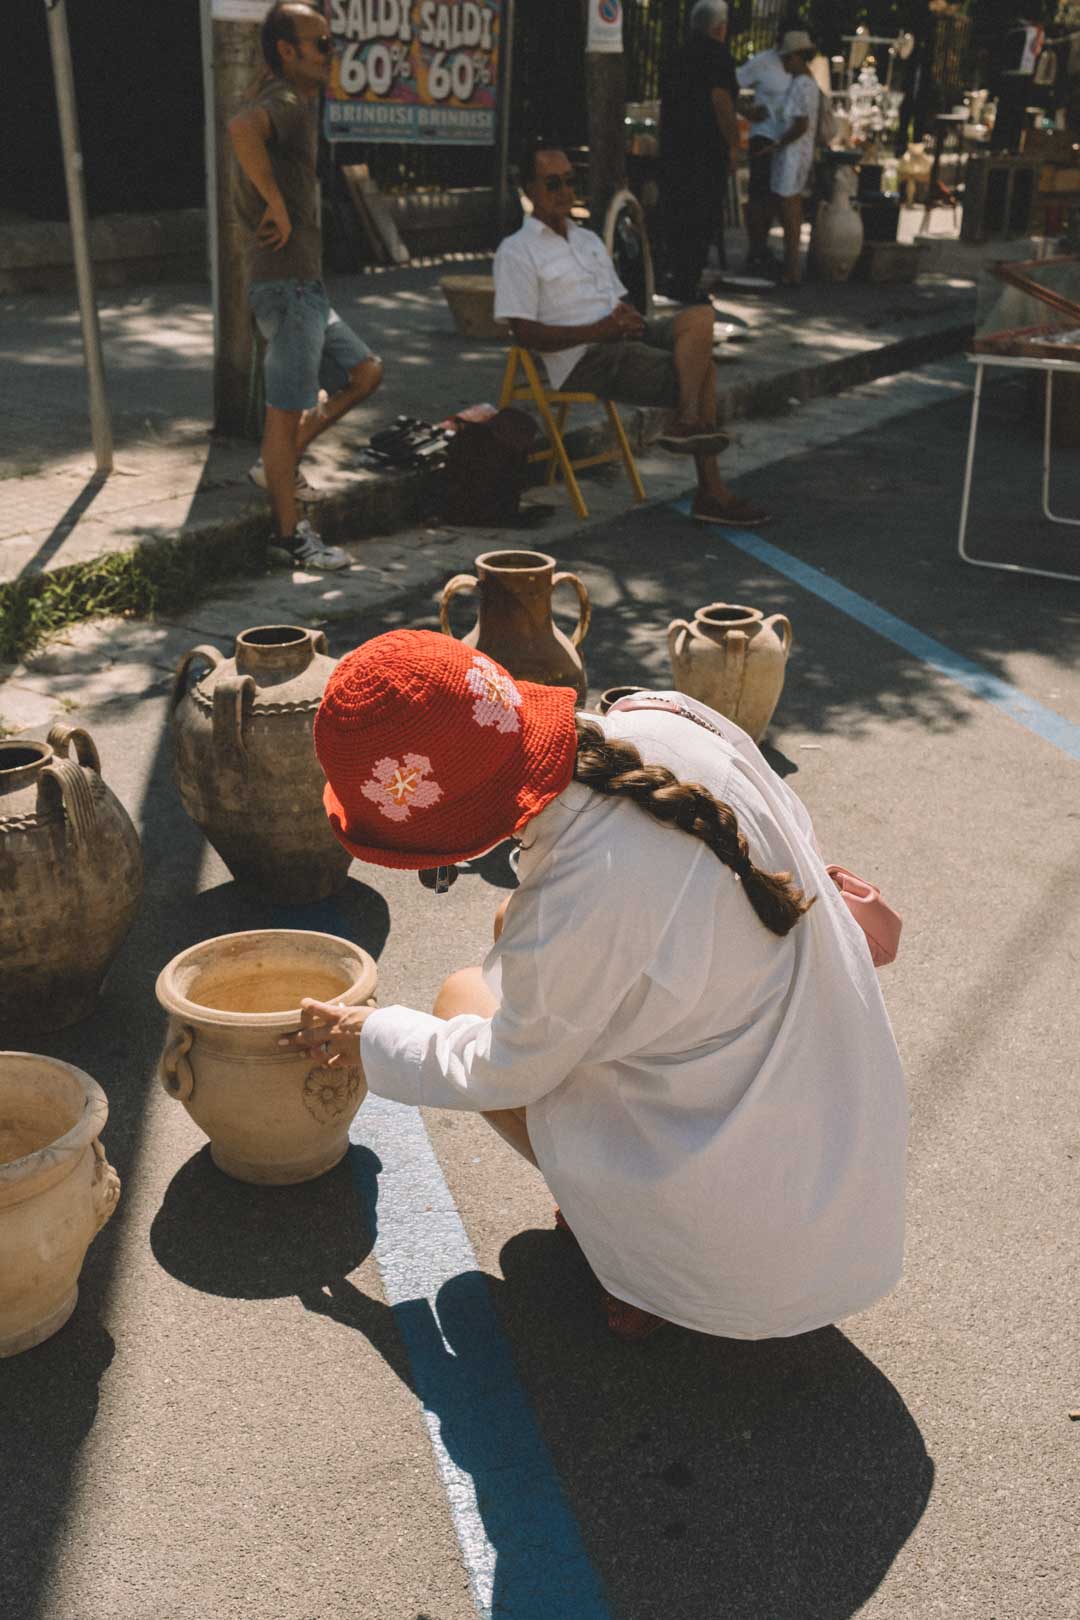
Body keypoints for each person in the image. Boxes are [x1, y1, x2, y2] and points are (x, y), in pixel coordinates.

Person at [283, 630, 908, 1345]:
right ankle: (643, 1231)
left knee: (461, 999)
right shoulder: (663, 722)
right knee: (507, 928)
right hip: (847, 1191)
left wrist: (371, 1035)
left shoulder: (577, 897)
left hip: (744, 1271)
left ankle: (643, 1263)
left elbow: (502, 1067)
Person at [493, 142, 769, 530]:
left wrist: (629, 317)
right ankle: (710, 489)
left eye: (570, 182)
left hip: (616, 335)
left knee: (700, 318)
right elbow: (524, 334)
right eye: (552, 184)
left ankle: (687, 423)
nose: (564, 192)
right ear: (528, 190)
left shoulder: (586, 239)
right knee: (700, 368)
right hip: (581, 356)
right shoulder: (517, 252)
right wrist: (599, 330)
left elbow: (617, 297)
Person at [228, 2, 384, 572]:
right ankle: (290, 536)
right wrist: (274, 201)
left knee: (366, 371)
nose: (329, 54)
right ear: (288, 52)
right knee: (283, 414)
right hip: (287, 287)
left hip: (303, 286)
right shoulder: (287, 103)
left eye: (330, 43)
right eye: (320, 45)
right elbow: (241, 129)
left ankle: (281, 460)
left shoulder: (286, 98)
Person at [658, 0, 739, 303]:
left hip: (674, 146)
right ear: (720, 27)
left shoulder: (677, 54)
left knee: (677, 212)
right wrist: (733, 145)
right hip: (704, 150)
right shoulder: (718, 56)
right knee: (701, 216)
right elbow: (721, 100)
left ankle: (674, 275)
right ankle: (687, 282)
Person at [768, 32, 822, 287]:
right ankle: (792, 266)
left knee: (790, 213)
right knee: (791, 212)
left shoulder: (802, 84)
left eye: (788, 58)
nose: (784, 64)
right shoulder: (806, 83)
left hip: (793, 154)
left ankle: (792, 268)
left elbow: (801, 124)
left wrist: (779, 142)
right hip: (798, 153)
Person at [736, 37, 792, 274]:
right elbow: (729, 85)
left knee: (775, 195)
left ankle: (762, 246)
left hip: (787, 137)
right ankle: (755, 248)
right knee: (759, 192)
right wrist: (747, 110)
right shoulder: (762, 61)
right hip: (764, 135)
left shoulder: (799, 65)